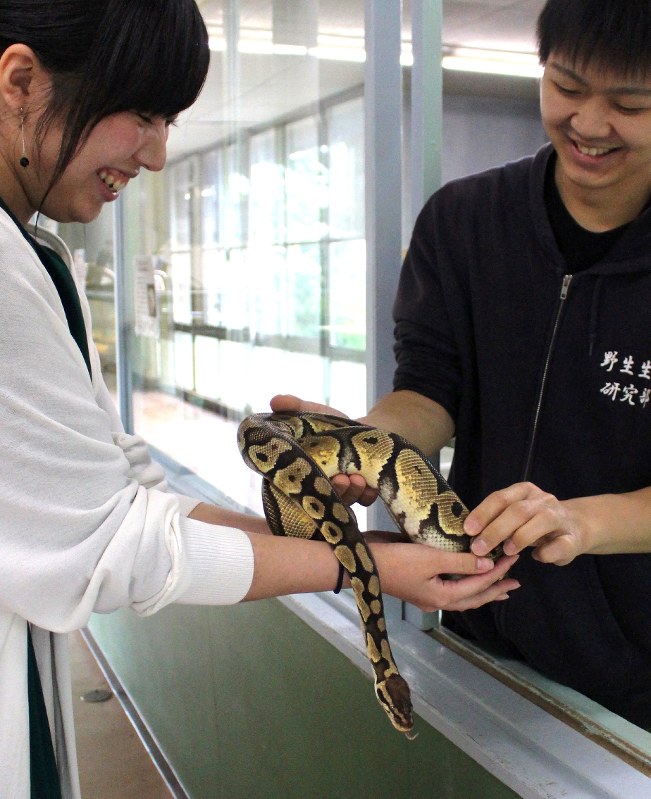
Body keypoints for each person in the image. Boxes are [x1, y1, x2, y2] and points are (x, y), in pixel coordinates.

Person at [0, 2, 520, 796]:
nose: (158, 153)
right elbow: (119, 551)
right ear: (20, 82)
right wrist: (363, 567)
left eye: (167, 121)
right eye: (142, 114)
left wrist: (364, 557)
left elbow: (127, 491)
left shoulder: (38, 256)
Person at [273, 0, 651, 731]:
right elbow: (428, 387)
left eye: (630, 104)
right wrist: (364, 439)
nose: (589, 124)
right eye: (566, 87)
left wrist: (581, 520)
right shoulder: (462, 222)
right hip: (483, 639)